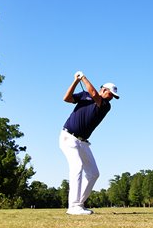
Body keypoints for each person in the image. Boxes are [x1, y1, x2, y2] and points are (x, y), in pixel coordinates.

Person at [59, 71, 120, 215]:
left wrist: (83, 78)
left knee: (94, 173)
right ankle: (73, 206)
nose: (111, 98)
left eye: (113, 96)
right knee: (77, 166)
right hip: (68, 137)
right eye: (111, 94)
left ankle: (79, 204)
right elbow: (66, 98)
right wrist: (75, 81)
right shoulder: (84, 95)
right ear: (104, 90)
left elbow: (93, 93)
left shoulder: (105, 105)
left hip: (83, 142)